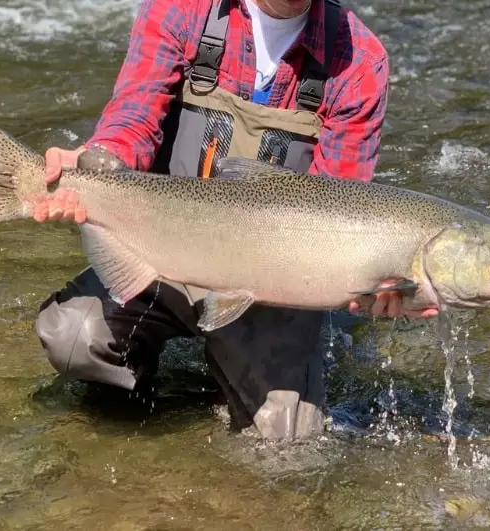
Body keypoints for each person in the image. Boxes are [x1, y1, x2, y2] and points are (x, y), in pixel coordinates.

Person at [33, 0, 439, 440]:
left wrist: (374, 286)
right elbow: (133, 121)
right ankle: (136, 402)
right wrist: (94, 165)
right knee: (71, 335)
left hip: (272, 287)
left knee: (287, 444)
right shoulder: (180, 9)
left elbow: (339, 209)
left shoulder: (359, 60)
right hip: (162, 255)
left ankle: (233, 365)